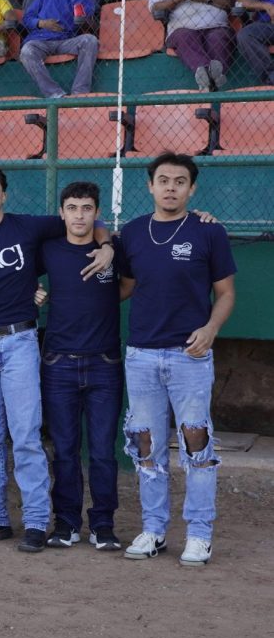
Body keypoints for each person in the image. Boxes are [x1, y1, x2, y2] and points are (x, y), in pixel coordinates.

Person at [0, 164, 113, 553]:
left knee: (25, 435)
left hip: (20, 339)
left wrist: (107, 245)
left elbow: (87, 219)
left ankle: (37, 522)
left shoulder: (27, 227)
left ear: (4, 194)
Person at [119, 153, 236, 567]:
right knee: (146, 446)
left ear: (192, 188)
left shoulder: (209, 232)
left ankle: (199, 534)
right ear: (150, 186)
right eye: (164, 180)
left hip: (190, 355)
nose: (171, 187)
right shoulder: (132, 233)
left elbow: (226, 293)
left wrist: (211, 329)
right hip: (142, 355)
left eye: (180, 181)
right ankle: (153, 530)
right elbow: (124, 286)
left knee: (196, 444)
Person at [38, 182, 122, 551]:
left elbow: (129, 284)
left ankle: (103, 525)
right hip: (59, 363)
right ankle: (67, 523)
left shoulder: (113, 250)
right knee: (65, 449)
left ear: (96, 212)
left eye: (87, 208)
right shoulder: (48, 248)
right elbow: (14, 272)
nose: (79, 215)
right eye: (72, 208)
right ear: (62, 212)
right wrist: (31, 290)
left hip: (105, 363)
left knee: (102, 451)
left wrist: (107, 250)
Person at [148, 0, 234, 92]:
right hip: (183, 28)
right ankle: (213, 78)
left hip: (216, 26)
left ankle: (207, 81)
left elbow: (231, 2)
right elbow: (154, 7)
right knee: (184, 36)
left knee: (218, 37)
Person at [19, 0, 99, 98]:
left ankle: (80, 92)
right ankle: (55, 94)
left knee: (90, 40)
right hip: (41, 39)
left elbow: (83, 15)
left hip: (66, 39)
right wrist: (41, 23)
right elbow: (27, 18)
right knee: (27, 51)